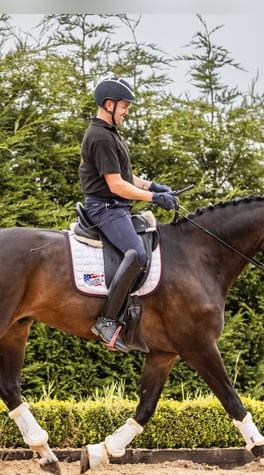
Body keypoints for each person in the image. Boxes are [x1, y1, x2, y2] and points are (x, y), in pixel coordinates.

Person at [79, 78, 177, 352]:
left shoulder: (110, 133)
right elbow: (116, 185)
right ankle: (107, 320)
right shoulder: (99, 137)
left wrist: (152, 185)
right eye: (124, 106)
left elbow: (125, 176)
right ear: (108, 105)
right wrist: (154, 198)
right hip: (105, 208)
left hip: (117, 207)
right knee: (138, 254)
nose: (127, 112)